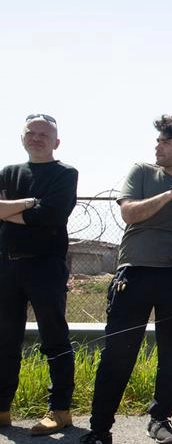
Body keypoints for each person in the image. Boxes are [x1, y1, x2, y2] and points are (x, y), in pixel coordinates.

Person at [80, 116, 172, 444]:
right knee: (118, 354)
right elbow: (129, 213)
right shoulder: (142, 173)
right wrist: (170, 196)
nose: (157, 146)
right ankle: (99, 429)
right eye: (158, 141)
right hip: (134, 274)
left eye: (165, 142)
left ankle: (160, 418)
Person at [0, 114, 78, 436]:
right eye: (30, 132)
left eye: (43, 134)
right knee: (5, 340)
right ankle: (3, 407)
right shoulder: (8, 172)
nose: (36, 137)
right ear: (22, 138)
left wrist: (13, 211)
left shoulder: (65, 173)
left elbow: (53, 215)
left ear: (56, 141)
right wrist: (32, 205)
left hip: (45, 266)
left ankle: (60, 411)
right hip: (6, 264)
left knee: (54, 337)